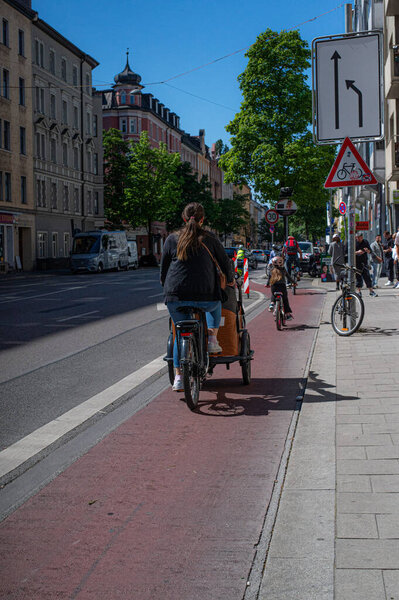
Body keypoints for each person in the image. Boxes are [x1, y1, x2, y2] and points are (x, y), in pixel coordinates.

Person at [160, 202, 234, 391]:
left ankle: (178, 377)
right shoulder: (210, 238)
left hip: (175, 296)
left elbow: (164, 269)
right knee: (217, 304)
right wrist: (232, 280)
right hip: (206, 295)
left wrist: (166, 286)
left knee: (179, 333)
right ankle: (211, 338)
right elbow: (225, 261)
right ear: (202, 220)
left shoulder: (171, 239)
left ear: (184, 219)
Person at [268, 256, 294, 320]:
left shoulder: (271, 269)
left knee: (273, 294)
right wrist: (294, 282)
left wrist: (267, 284)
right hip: (282, 286)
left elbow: (269, 278)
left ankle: (271, 304)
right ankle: (287, 314)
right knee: (285, 299)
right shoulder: (283, 269)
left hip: (274, 286)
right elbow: (288, 277)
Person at [355, 232, 378, 297]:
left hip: (364, 262)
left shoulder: (365, 242)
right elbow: (350, 253)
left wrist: (367, 250)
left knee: (367, 277)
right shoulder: (354, 243)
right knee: (358, 278)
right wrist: (357, 252)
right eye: (358, 238)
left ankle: (371, 291)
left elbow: (370, 251)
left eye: (360, 238)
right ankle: (359, 291)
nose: (359, 239)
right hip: (357, 262)